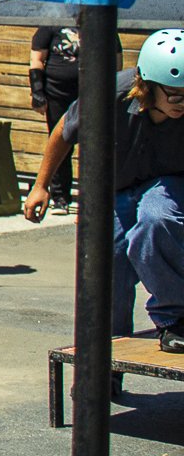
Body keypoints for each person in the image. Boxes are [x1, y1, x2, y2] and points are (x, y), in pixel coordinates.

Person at [23, 30, 184, 353]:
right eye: (176, 96)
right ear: (147, 86)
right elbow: (64, 133)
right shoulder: (112, 92)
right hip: (118, 190)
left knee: (155, 218)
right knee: (108, 261)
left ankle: (174, 319)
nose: (183, 104)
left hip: (170, 185)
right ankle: (102, 364)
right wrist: (41, 186)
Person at [27, 24, 122, 212]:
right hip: (58, 94)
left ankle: (93, 198)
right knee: (61, 142)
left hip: (93, 96)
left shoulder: (102, 24)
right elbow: (37, 59)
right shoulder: (51, 26)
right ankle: (60, 196)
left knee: (94, 146)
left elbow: (116, 61)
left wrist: (113, 92)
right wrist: (37, 92)